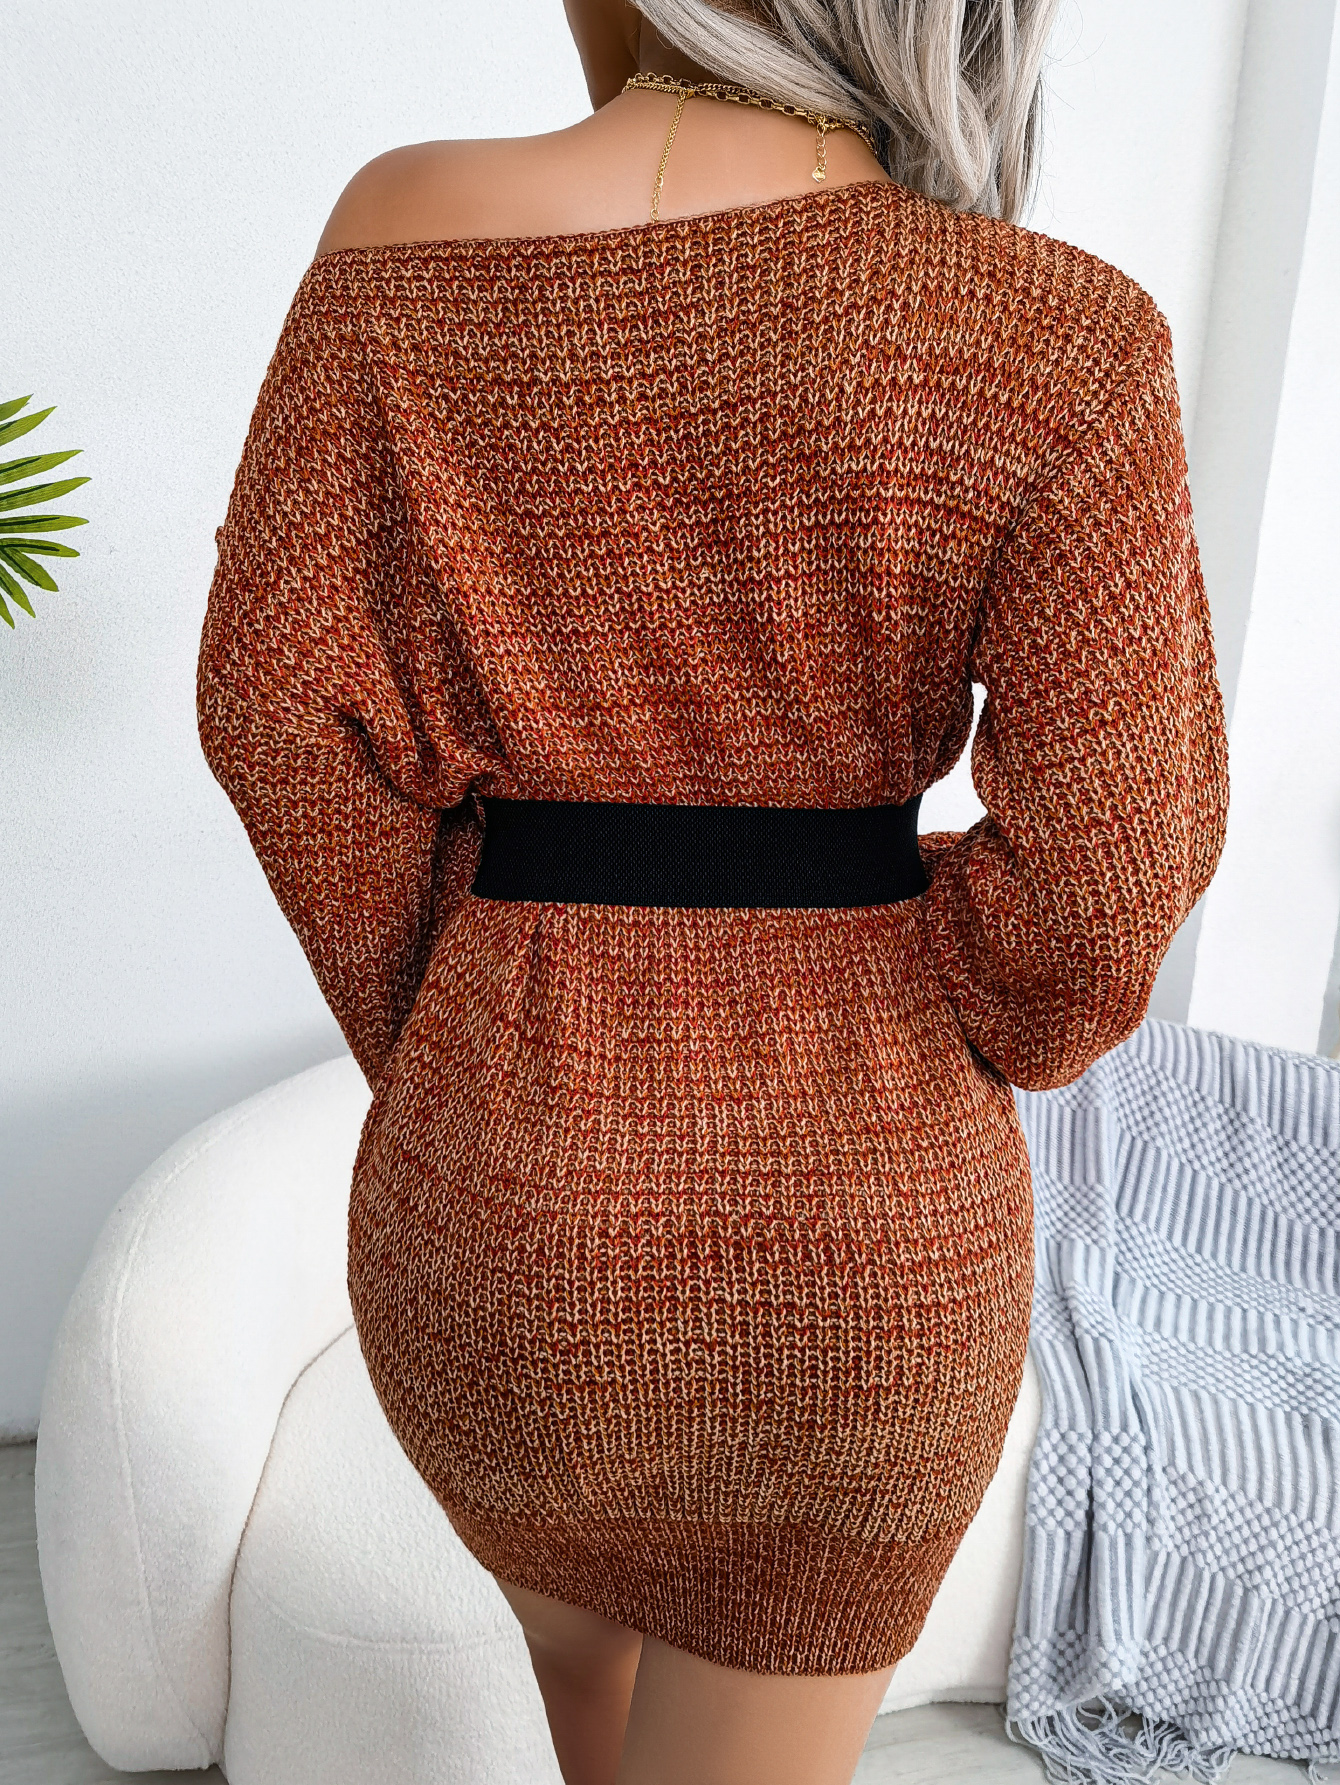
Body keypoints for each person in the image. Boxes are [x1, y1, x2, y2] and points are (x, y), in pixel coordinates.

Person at [196, 0, 1229, 1779]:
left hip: (509, 1208)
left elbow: (278, 713)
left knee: (590, 1730)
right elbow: (1116, 860)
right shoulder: (1057, 333)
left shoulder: (398, 239)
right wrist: (937, 991)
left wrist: (462, 1019)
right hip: (873, 1238)